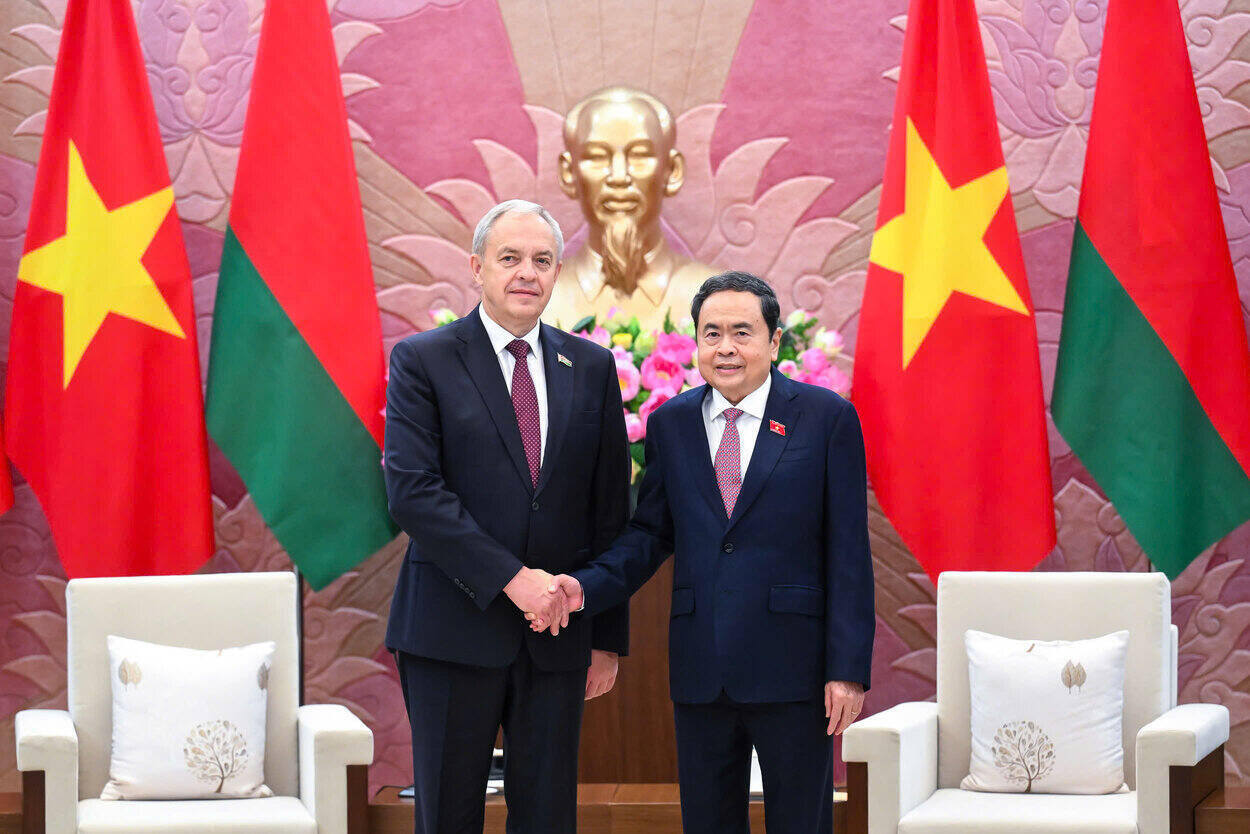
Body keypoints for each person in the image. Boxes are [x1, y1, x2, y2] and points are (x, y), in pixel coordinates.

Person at [534, 271, 875, 834]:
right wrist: (584, 587)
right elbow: (649, 535)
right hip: (702, 667)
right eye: (711, 333)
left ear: (774, 341)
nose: (726, 347)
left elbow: (848, 552)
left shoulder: (825, 418)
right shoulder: (671, 423)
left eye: (742, 332)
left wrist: (847, 670)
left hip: (796, 668)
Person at [383, 199, 630, 834]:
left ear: (556, 273)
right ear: (477, 268)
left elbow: (609, 510)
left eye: (542, 261)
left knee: (548, 818)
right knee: (449, 816)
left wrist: (606, 636)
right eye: (510, 258)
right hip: (449, 630)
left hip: (558, 635)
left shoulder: (592, 367)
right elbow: (414, 493)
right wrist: (513, 580)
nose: (527, 273)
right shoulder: (423, 360)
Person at [542, 86, 717, 331]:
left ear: (672, 171)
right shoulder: (535, 306)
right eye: (597, 157)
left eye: (640, 155)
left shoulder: (720, 301)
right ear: (568, 174)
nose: (619, 176)